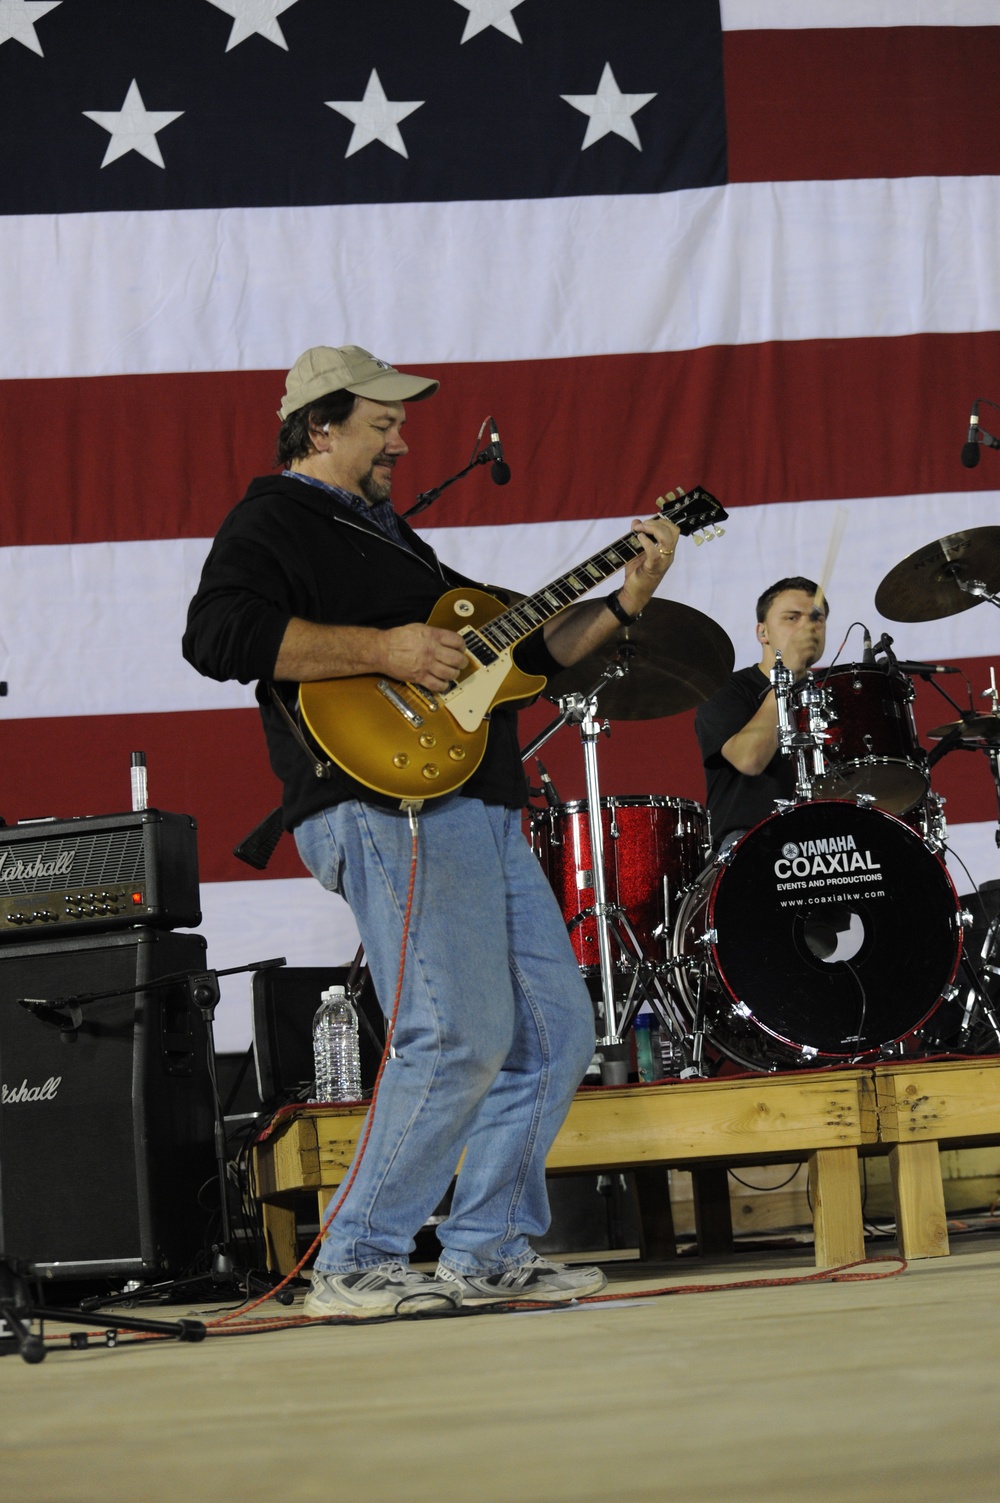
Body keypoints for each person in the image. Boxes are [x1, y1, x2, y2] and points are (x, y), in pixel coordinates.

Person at [183, 344, 682, 1320]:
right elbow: (217, 637)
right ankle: (354, 1260)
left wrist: (627, 597)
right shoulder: (274, 519)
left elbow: (535, 648)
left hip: (479, 804)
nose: (401, 441)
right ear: (321, 427)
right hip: (384, 802)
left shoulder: (393, 541)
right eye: (382, 424)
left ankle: (485, 1251)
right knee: (453, 1032)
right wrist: (383, 648)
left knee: (553, 1032)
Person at [695, 577, 828, 855]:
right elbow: (749, 760)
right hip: (752, 841)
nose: (808, 627)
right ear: (762, 633)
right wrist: (785, 677)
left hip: (826, 840)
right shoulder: (726, 690)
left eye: (817, 618)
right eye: (792, 618)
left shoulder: (831, 693)